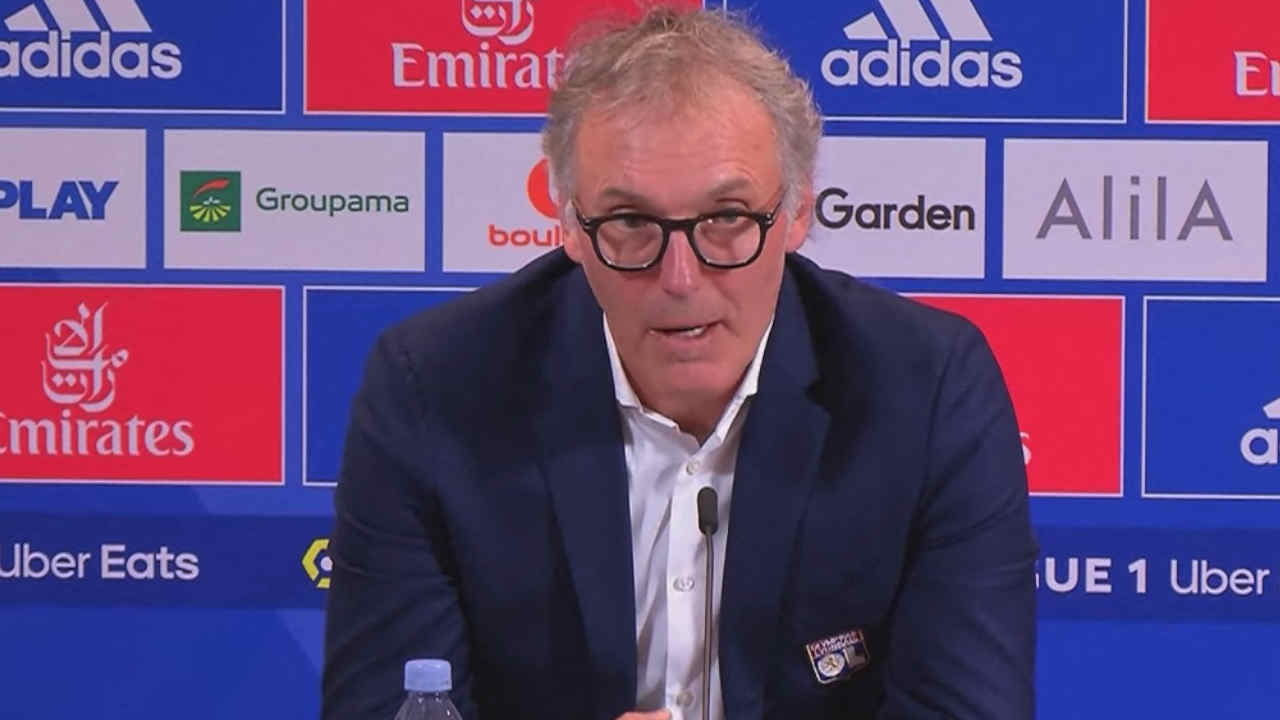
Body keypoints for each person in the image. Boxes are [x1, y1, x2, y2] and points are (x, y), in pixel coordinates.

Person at [321, 6, 1036, 720]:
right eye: (631, 223)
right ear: (570, 224)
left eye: (727, 218)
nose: (681, 278)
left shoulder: (926, 390)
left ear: (796, 213)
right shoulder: (435, 387)